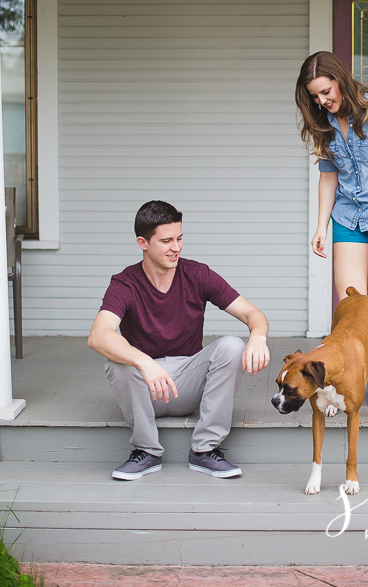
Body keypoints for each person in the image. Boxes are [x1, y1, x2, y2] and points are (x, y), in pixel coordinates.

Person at [88, 200, 270, 481]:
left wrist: (258, 337)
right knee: (117, 360)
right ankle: (146, 451)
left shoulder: (197, 274)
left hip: (185, 385)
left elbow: (251, 312)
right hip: (145, 389)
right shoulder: (125, 283)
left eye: (180, 238)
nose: (176, 247)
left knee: (233, 346)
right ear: (143, 242)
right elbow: (98, 335)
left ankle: (205, 450)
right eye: (166, 241)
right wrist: (143, 361)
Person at [295, 51, 368, 407]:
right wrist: (320, 225)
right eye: (315, 96)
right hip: (348, 217)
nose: (322, 101)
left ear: (341, 80)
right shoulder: (324, 122)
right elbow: (329, 177)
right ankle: (350, 375)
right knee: (351, 303)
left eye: (326, 91)